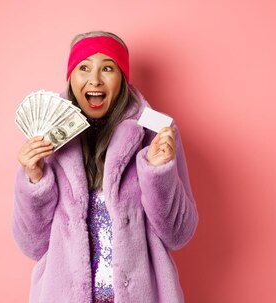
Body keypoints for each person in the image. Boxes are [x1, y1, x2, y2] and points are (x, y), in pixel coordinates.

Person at [13, 31, 198, 303]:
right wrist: (35, 181)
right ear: (71, 78)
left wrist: (158, 173)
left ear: (122, 77)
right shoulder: (47, 135)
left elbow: (178, 234)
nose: (95, 79)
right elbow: (32, 245)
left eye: (108, 68)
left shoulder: (157, 130)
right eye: (84, 67)